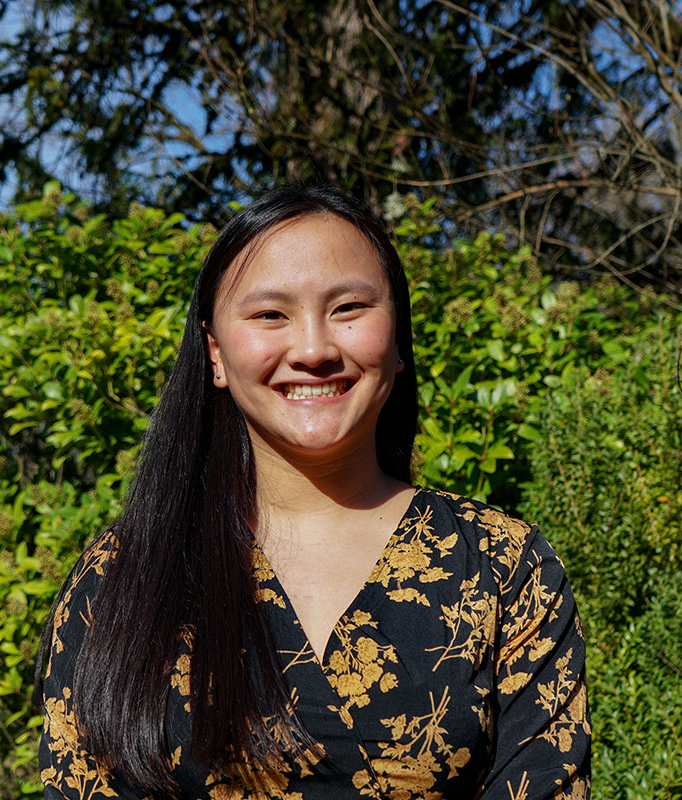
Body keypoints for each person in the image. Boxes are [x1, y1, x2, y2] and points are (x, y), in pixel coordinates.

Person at [37, 185, 591, 799]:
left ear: (399, 338)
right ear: (215, 354)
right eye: (270, 315)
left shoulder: (502, 564)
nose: (313, 350)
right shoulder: (124, 577)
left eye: (349, 307)